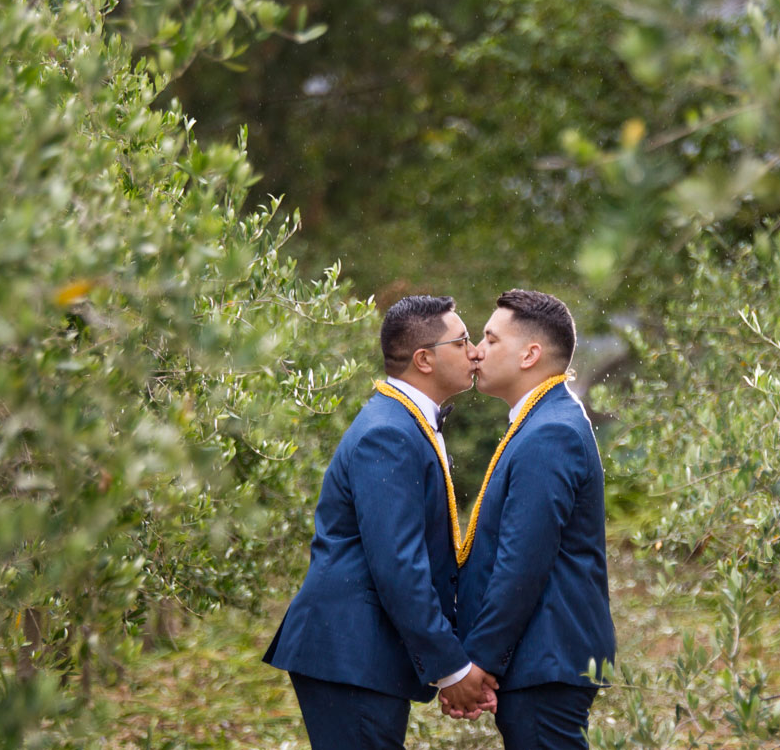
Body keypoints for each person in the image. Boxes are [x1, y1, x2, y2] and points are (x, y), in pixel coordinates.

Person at [263, 295, 498, 749]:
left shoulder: (404, 421)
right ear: (424, 359)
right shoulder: (389, 432)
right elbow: (399, 566)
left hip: (361, 654)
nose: (474, 352)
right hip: (350, 651)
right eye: (463, 341)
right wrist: (451, 668)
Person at [446, 289, 616, 748]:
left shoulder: (551, 431)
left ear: (530, 354)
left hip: (546, 656)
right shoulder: (544, 420)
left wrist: (479, 663)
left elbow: (522, 561)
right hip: (541, 657)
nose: (476, 351)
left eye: (490, 339)